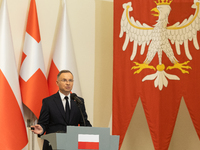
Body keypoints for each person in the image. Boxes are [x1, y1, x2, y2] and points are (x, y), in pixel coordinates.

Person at [31, 70, 91, 150]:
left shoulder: (78, 101)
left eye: (70, 80)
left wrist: (95, 133)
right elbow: (43, 123)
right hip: (53, 145)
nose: (68, 83)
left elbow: (84, 123)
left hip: (72, 145)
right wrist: (41, 129)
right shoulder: (48, 101)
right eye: (64, 80)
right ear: (57, 82)